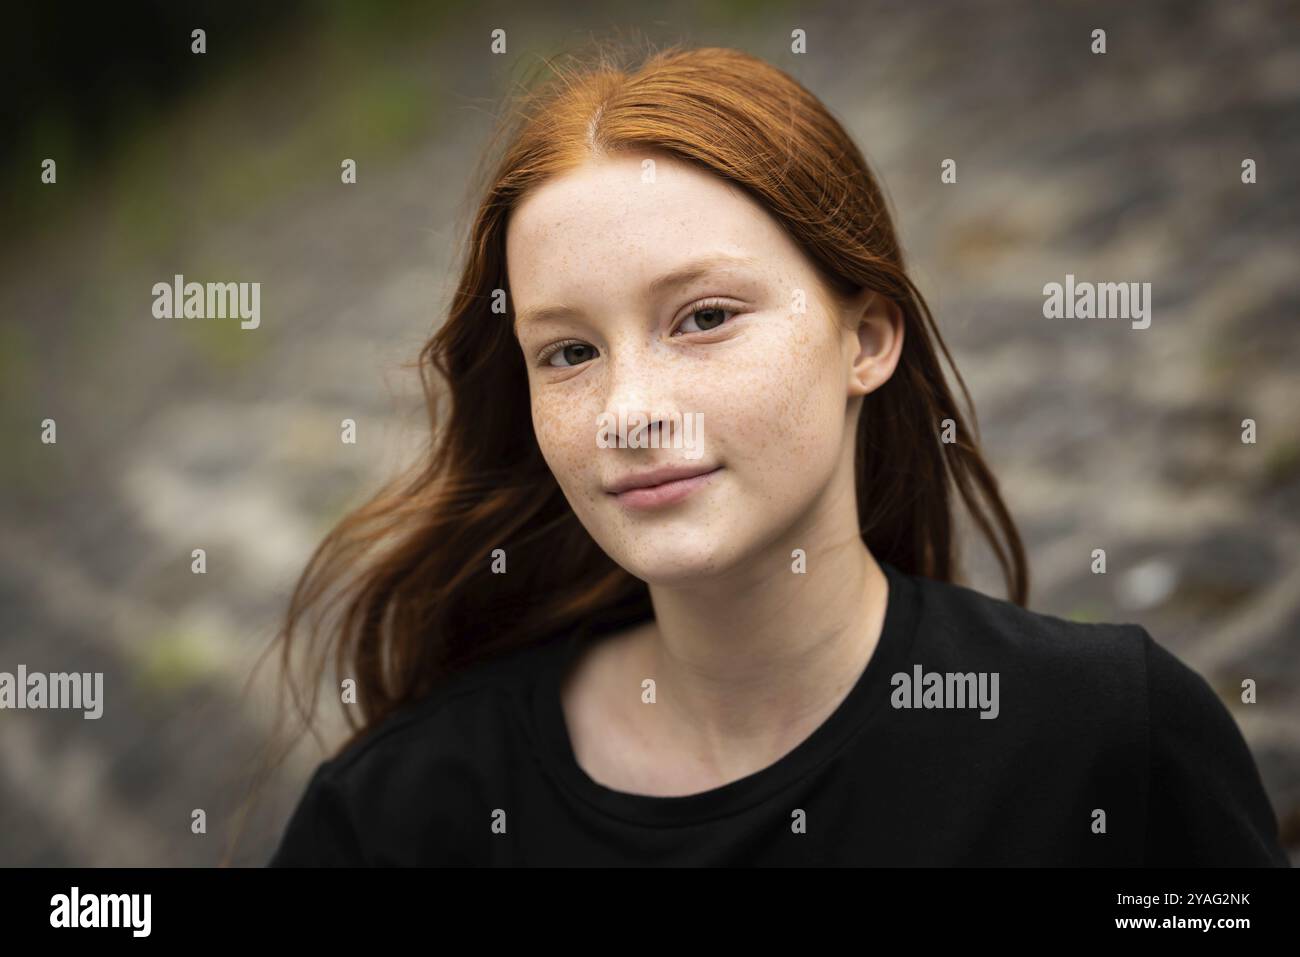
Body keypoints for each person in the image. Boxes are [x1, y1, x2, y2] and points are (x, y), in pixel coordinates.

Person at [262, 43, 1289, 867]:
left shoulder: (1107, 738)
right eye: (567, 352)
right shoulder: (398, 816)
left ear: (867, 338)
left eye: (703, 317)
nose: (628, 409)